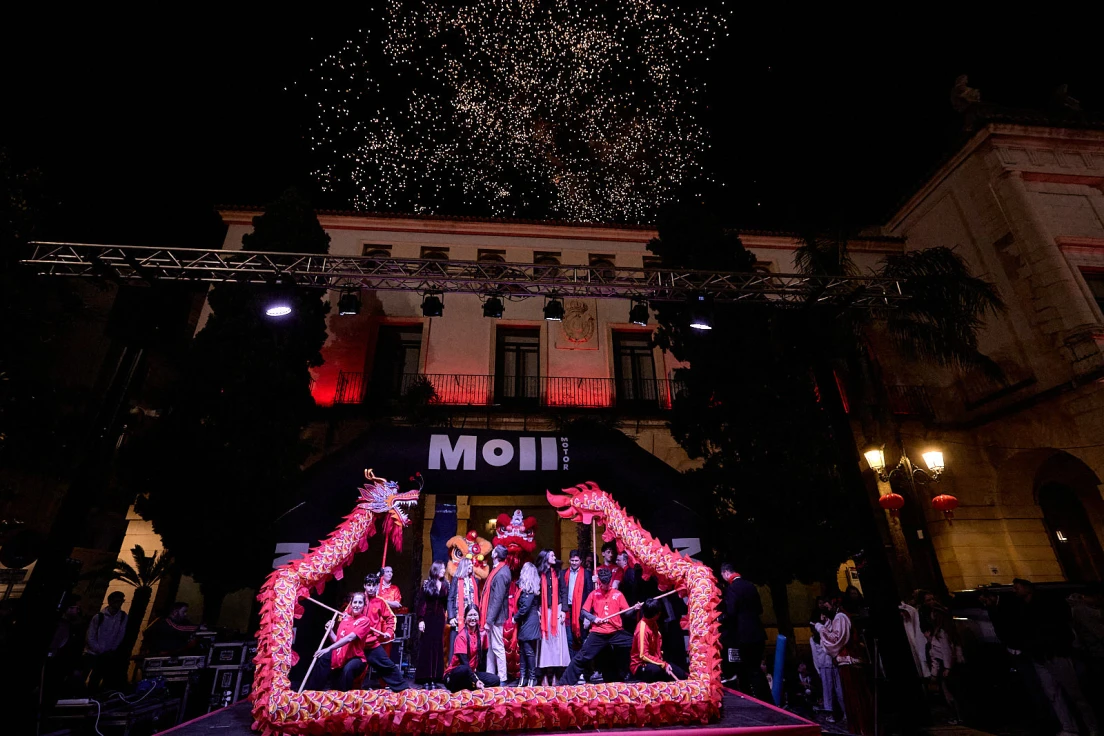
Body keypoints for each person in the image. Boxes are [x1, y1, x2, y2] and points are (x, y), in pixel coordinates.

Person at [1013, 577, 1098, 736]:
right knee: (1053, 693)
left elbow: (1059, 627)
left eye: (1017, 587)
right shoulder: (1023, 608)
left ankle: (1092, 726)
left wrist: (1059, 646)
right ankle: (1069, 727)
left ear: (1028, 588)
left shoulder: (1045, 605)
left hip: (1054, 653)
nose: (1014, 591)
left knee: (1075, 693)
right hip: (1040, 655)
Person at [561, 567, 639, 686]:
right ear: (599, 582)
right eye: (603, 584)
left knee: (635, 643)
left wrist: (634, 609)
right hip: (598, 632)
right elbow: (584, 611)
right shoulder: (594, 594)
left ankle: (634, 675)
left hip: (615, 631)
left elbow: (626, 613)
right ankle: (564, 683)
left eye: (607, 584)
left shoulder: (618, 594)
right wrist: (594, 618)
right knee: (581, 657)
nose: (605, 586)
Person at [817, 596, 874, 736]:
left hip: (850, 662)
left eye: (827, 603)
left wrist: (820, 629)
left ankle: (864, 729)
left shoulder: (840, 617)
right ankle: (859, 729)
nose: (825, 607)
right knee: (852, 699)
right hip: (845, 663)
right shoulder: (836, 618)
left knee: (856, 698)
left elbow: (836, 640)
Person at [719, 563, 769, 701]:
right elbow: (760, 610)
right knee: (755, 669)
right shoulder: (751, 585)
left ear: (726, 573)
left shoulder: (732, 588)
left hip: (743, 636)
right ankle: (765, 699)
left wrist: (720, 618)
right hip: (758, 634)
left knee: (746, 670)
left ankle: (754, 700)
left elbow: (731, 612)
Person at [306, 592, 374, 691]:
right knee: (324, 658)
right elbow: (337, 641)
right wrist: (329, 631)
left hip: (355, 657)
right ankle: (312, 693)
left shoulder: (365, 621)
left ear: (364, 606)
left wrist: (328, 648)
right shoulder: (345, 620)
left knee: (348, 669)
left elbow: (350, 638)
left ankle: (344, 699)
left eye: (360, 603)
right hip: (341, 655)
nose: (357, 605)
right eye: (355, 602)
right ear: (351, 604)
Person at [535, 549, 571, 684]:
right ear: (545, 558)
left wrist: (564, 611)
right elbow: (535, 593)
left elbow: (563, 591)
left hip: (557, 610)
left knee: (557, 645)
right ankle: (544, 676)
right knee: (544, 645)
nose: (555, 557)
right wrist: (537, 611)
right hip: (543, 611)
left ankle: (556, 676)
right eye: (552, 555)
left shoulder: (558, 573)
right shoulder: (539, 574)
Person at [444, 606, 501, 692]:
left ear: (479, 617)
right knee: (464, 669)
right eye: (470, 615)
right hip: (456, 674)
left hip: (471, 674)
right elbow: (465, 663)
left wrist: (481, 678)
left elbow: (483, 660)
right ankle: (470, 684)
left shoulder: (482, 634)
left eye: (475, 615)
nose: (473, 618)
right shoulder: (461, 636)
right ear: (465, 618)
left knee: (495, 679)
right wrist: (476, 680)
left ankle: (470, 686)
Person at [630, 599, 686, 682]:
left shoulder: (653, 622)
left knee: (680, 674)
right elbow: (643, 655)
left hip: (655, 660)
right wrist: (663, 664)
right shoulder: (642, 629)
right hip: (640, 665)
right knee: (656, 671)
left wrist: (662, 662)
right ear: (656, 615)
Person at [84, 591, 128, 692]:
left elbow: (120, 635)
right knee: (89, 675)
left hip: (107, 653)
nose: (119, 604)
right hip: (94, 652)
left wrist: (112, 649)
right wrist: (98, 648)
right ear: (111, 602)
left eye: (121, 601)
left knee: (98, 676)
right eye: (117, 601)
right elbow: (90, 635)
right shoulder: (99, 616)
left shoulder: (122, 617)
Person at [415, 560, 449, 689]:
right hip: (428, 618)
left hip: (439, 619)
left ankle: (435, 676)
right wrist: (421, 620)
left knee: (437, 646)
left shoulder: (446, 585)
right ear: (435, 570)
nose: (443, 571)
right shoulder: (427, 584)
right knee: (427, 647)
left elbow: (446, 604)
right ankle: (425, 677)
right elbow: (421, 604)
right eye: (441, 569)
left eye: (444, 569)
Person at [927, 604, 962, 724]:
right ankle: (958, 716)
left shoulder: (941, 632)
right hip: (946, 665)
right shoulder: (945, 631)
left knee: (950, 694)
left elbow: (945, 651)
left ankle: (958, 716)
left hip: (945, 665)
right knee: (951, 693)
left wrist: (947, 667)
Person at [480, 544, 511, 679]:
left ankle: (502, 677)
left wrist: (489, 620)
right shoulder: (499, 570)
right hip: (493, 617)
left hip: (496, 618)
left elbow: (497, 599)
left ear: (496, 555)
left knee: (497, 647)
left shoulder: (501, 573)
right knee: (491, 649)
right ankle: (490, 675)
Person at [514, 562, 541, 687]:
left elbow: (524, 608)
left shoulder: (529, 591)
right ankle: (524, 677)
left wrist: (515, 618)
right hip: (528, 622)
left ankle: (531, 678)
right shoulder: (527, 589)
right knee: (524, 651)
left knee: (528, 651)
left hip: (529, 622)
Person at [811, 623, 844, 722]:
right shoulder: (813, 639)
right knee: (828, 692)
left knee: (839, 690)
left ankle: (845, 713)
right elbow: (815, 655)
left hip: (834, 664)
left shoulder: (827, 633)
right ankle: (830, 714)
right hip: (824, 666)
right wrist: (819, 670)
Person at [561, 549, 593, 652]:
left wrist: (588, 615)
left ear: (581, 561)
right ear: (569, 560)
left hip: (581, 609)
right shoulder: (563, 573)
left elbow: (589, 594)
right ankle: (571, 665)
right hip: (567, 609)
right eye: (572, 560)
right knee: (569, 639)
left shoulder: (587, 574)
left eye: (576, 561)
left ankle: (582, 666)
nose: (574, 563)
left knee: (581, 638)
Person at [447, 558, 480, 658]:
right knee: (455, 646)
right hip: (458, 618)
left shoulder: (475, 580)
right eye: (469, 565)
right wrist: (451, 617)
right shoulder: (456, 579)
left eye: (471, 565)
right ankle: (452, 671)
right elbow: (450, 598)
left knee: (470, 645)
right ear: (464, 566)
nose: (471, 566)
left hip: (472, 618)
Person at [616, 551, 639, 630]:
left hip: (630, 602)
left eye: (618, 560)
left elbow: (633, 588)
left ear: (625, 561)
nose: (616, 562)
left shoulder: (630, 571)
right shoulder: (622, 571)